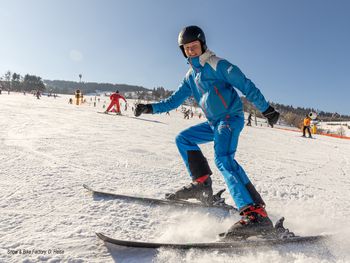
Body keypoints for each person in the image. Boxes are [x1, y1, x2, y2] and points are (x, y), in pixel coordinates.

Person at [134, 25, 279, 238]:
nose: (191, 51)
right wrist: (150, 108)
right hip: (214, 123)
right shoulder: (190, 77)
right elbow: (173, 101)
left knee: (223, 159)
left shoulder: (218, 65)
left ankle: (255, 214)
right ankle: (202, 184)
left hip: (230, 118)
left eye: (194, 46)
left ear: (203, 45)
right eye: (187, 48)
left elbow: (245, 84)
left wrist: (266, 108)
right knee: (184, 139)